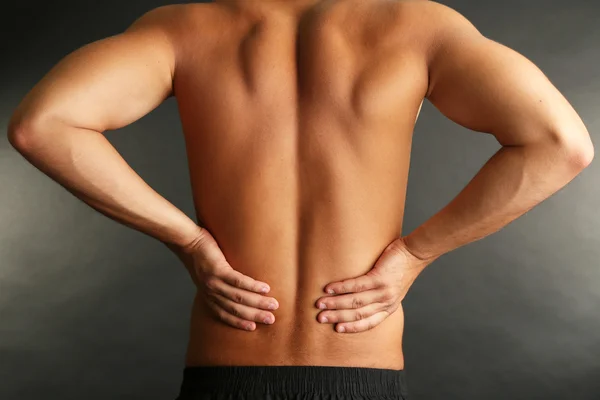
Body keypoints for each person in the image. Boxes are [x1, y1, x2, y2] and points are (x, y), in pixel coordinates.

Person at [7, 0, 594, 399]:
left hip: (225, 369)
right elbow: (561, 145)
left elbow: (42, 126)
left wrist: (187, 240)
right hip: (360, 365)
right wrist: (415, 254)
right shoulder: (419, 26)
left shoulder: (182, 28)